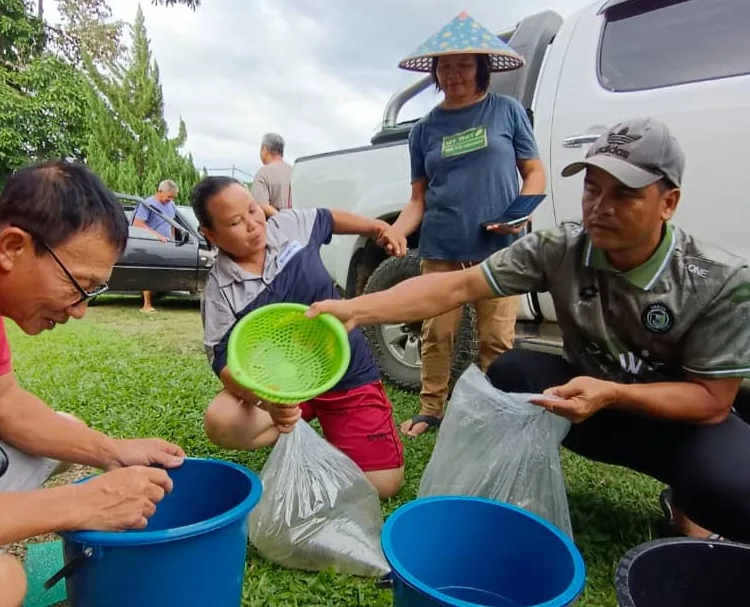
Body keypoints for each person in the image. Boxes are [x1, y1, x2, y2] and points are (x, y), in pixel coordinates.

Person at [309, 117, 750, 542]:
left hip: (673, 422)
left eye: (625, 194)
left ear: (668, 203)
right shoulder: (560, 248)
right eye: (592, 189)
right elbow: (457, 285)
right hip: (584, 406)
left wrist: (613, 393)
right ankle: (514, 488)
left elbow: (712, 402)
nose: (601, 207)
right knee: (512, 371)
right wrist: (355, 310)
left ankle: (686, 501)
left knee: (736, 491)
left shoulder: (719, 281)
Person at [0, 161, 186, 607]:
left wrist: (113, 450)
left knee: (60, 428)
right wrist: (75, 505)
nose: (79, 311)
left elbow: (7, 405)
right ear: (13, 246)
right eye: (80, 286)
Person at [383, 11, 546, 437]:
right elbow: (418, 199)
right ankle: (431, 409)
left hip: (498, 250)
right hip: (440, 247)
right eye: (445, 66)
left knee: (497, 340)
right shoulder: (423, 130)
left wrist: (520, 212)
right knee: (437, 334)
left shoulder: (507, 112)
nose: (453, 74)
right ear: (435, 72)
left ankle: (497, 412)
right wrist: (398, 230)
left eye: (463, 64)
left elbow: (534, 172)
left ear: (481, 68)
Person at [192, 176, 406, 499]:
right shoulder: (218, 291)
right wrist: (269, 404)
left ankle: (325, 444)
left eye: (253, 210)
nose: (253, 224)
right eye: (236, 221)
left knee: (384, 485)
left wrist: (377, 228)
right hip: (283, 387)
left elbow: (329, 218)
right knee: (220, 419)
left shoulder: (288, 226)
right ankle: (295, 429)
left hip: (346, 374)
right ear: (210, 233)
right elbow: (223, 361)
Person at [133, 179, 179, 313]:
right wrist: (156, 235)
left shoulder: (171, 205)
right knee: (148, 271)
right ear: (160, 191)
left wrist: (173, 239)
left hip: (166, 244)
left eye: (172, 197)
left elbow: (171, 223)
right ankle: (146, 305)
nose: (170, 200)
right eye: (168, 196)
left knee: (162, 272)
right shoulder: (147, 204)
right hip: (150, 244)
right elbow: (138, 224)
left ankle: (159, 297)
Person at [251, 133, 293, 218]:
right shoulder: (294, 172)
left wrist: (284, 220)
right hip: (299, 226)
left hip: (274, 227)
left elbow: (260, 205)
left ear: (264, 149)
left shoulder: (263, 173)